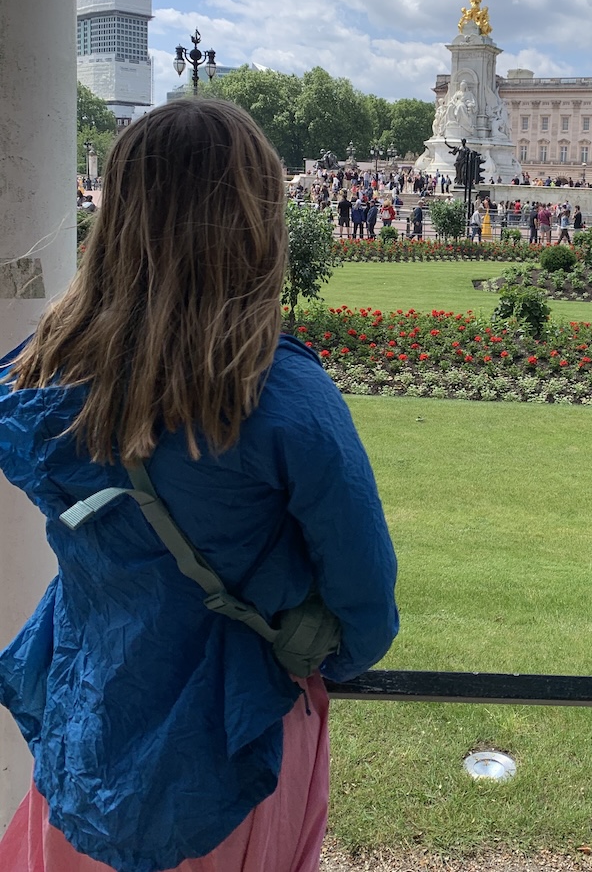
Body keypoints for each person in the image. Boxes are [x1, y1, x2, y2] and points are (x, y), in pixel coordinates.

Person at [0, 100, 399, 872]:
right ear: (256, 218)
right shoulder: (279, 394)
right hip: (233, 727)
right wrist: (321, 660)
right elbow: (365, 599)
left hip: (89, 703)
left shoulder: (44, 364)